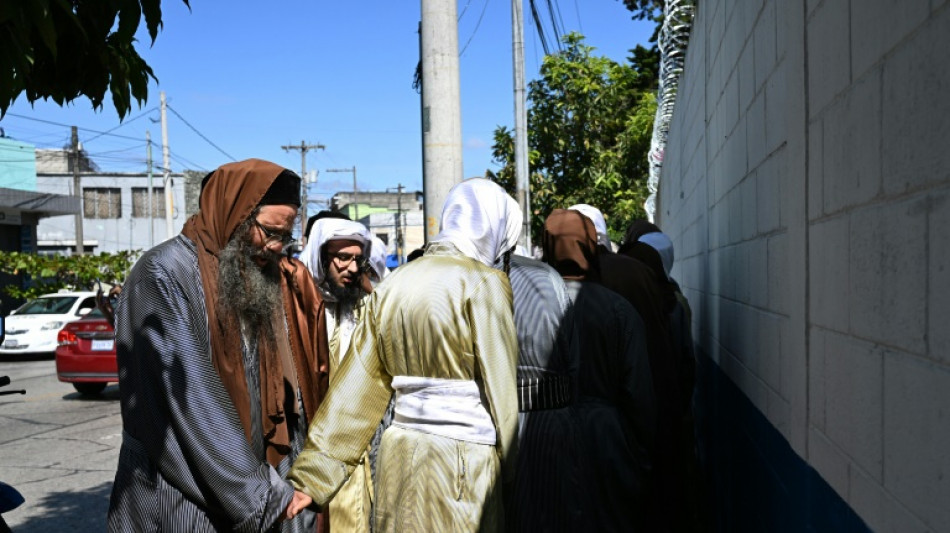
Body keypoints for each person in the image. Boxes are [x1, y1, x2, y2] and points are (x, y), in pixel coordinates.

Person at [286, 178, 521, 531]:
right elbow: (501, 388)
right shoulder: (484, 282)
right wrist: (514, 467)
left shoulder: (394, 284)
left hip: (400, 455)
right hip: (462, 459)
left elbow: (358, 383)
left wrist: (314, 474)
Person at [107, 159, 328, 532]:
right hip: (182, 492)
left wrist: (292, 480)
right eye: (269, 231)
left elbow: (277, 399)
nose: (276, 246)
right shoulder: (163, 273)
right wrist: (262, 496)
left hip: (247, 482)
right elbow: (193, 401)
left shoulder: (252, 275)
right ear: (234, 213)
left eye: (285, 236)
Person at [539, 209, 657, 530]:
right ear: (591, 246)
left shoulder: (526, 309)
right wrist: (640, 462)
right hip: (607, 444)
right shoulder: (618, 310)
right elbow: (641, 399)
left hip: (544, 445)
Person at [300, 217, 376, 533]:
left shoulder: (365, 306)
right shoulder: (298, 305)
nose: (352, 268)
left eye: (357, 259)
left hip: (353, 448)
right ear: (320, 257)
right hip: (307, 447)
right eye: (342, 257)